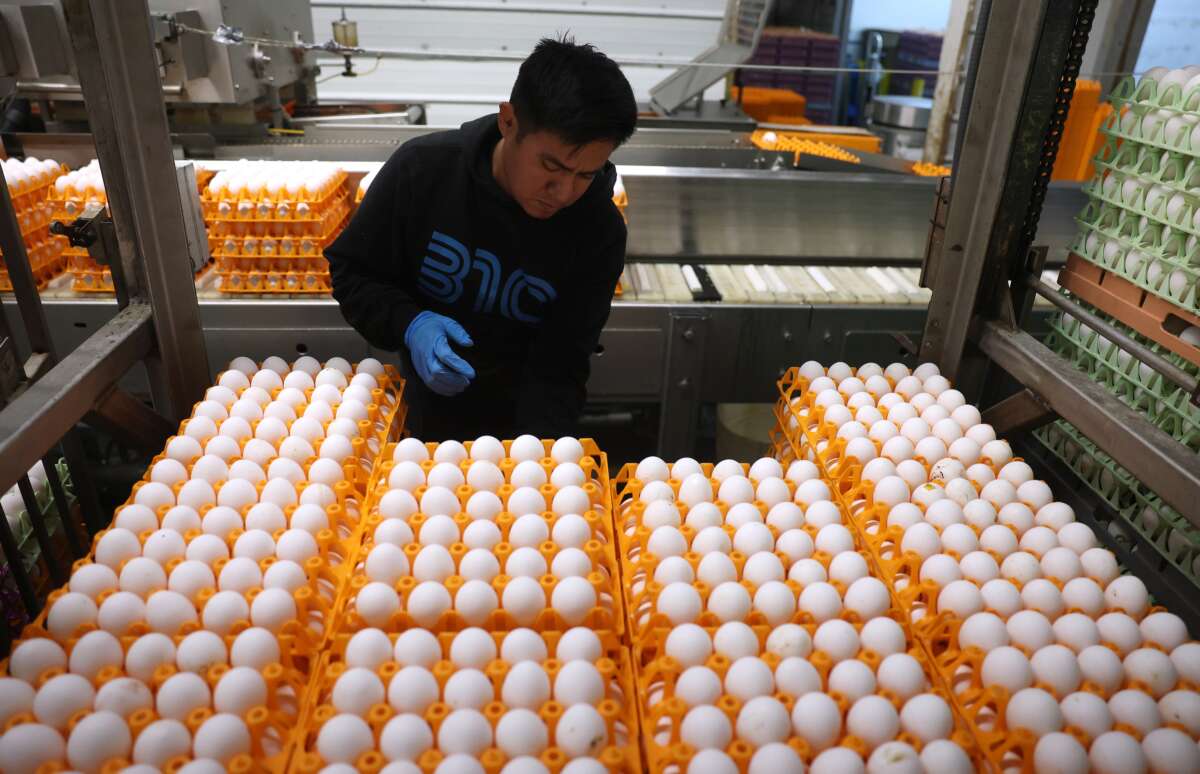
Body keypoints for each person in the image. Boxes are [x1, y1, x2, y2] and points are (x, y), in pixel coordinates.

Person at [326, 35, 637, 441]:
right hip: (417, 422)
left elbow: (562, 363)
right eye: (551, 167)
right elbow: (354, 272)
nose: (563, 193)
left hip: (523, 429)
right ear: (508, 121)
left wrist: (534, 460)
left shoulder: (598, 230)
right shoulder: (423, 172)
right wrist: (410, 323)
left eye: (585, 175)